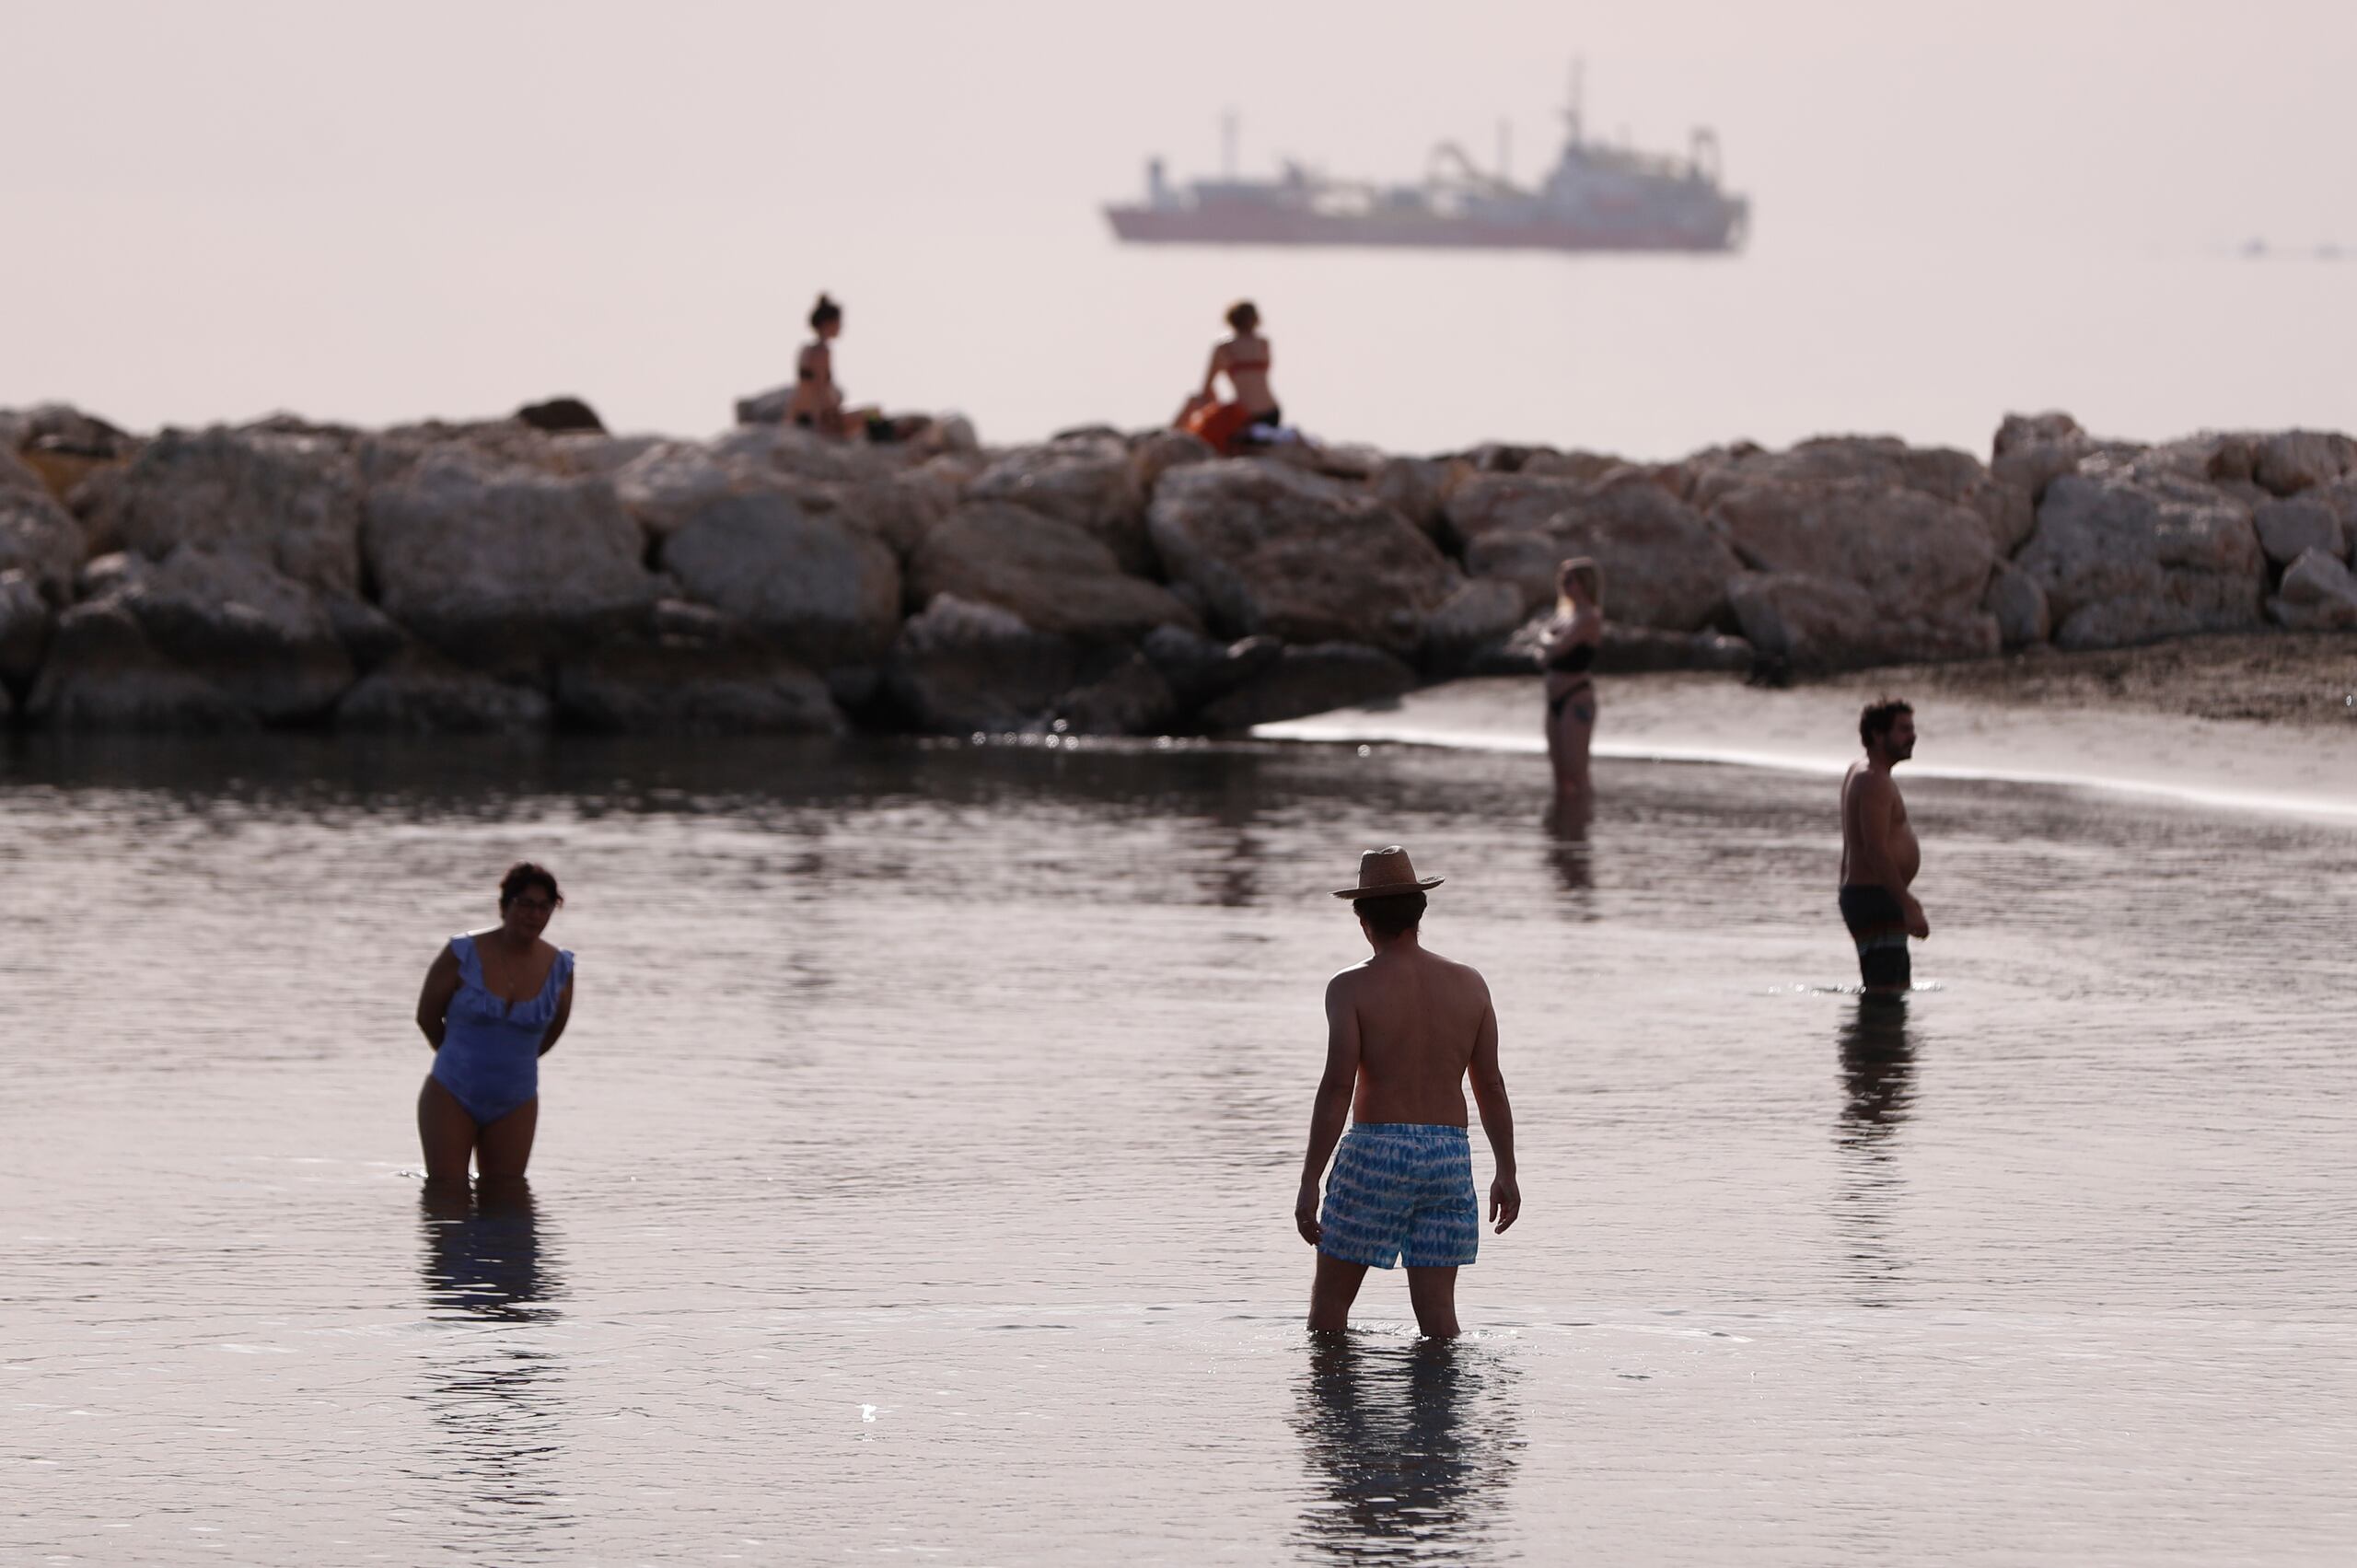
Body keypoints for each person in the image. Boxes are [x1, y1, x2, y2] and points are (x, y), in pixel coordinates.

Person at [1296, 846, 1519, 1339]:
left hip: (1377, 1150)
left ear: (1362, 919)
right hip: (1447, 1155)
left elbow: (1337, 1088)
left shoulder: (1350, 987)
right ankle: (1439, 1413)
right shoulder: (1470, 984)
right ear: (1419, 912)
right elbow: (1491, 1085)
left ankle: (1335, 1417)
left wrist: (1310, 1179)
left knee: (1329, 1314)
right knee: (1439, 1320)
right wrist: (1506, 1169)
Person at [414, 863, 576, 1184]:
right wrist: (457, 1055)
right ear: (505, 905)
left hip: (516, 1098)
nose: (533, 914)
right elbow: (427, 1015)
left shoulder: (560, 967)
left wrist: (510, 1060)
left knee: (508, 1205)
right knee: (447, 1197)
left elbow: (550, 1033)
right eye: (525, 904)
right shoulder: (462, 952)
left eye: (544, 907)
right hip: (452, 1090)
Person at [1839, 700, 1928, 996]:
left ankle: (1877, 1041)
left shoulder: (1861, 771)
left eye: (1912, 729)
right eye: (1903, 730)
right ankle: (1877, 1043)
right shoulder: (1873, 780)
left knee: (1886, 991)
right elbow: (1874, 850)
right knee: (1887, 995)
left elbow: (1852, 847)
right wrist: (1907, 903)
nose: (1912, 736)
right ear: (1878, 735)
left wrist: (1847, 891)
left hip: (1870, 896)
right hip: (1876, 898)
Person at [1535, 557, 1604, 817]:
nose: (1564, 586)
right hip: (1553, 698)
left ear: (1584, 583)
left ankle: (1583, 825)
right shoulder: (1564, 614)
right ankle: (1563, 829)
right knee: (1559, 771)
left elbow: (1557, 645)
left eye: (1569, 581)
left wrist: (1546, 641)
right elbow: (1545, 648)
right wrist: (1547, 643)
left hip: (1576, 697)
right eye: (1561, 580)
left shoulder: (1590, 616)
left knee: (1577, 770)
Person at [1181, 299, 1283, 454]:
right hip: (1272, 414)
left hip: (1245, 416)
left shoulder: (1224, 347)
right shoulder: (1264, 344)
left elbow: (1206, 389)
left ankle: (1169, 438)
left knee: (1194, 401)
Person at [784, 293, 889, 441]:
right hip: (820, 419)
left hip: (799, 416)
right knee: (875, 413)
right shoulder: (822, 352)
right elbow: (820, 388)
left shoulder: (805, 350)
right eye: (839, 322)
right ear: (828, 323)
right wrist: (830, 416)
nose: (841, 327)